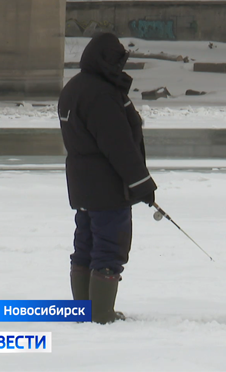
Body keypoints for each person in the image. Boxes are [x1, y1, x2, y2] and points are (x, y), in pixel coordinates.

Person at [58, 32, 157, 324]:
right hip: (106, 186)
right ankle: (101, 314)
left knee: (86, 243)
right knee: (109, 245)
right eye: (117, 62)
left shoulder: (74, 88)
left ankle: (84, 311)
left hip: (83, 185)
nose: (120, 68)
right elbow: (119, 146)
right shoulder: (101, 94)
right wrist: (142, 185)